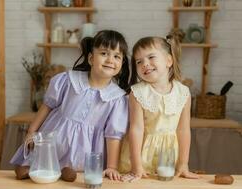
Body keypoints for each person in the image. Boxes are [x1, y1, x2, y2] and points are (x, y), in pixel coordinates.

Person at [10, 30, 130, 181]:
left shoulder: (117, 98)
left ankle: (67, 172)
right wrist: (32, 131)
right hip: (56, 139)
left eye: (117, 56)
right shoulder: (69, 80)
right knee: (44, 160)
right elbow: (48, 105)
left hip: (85, 152)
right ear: (91, 58)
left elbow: (113, 135)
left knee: (75, 173)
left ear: (122, 63)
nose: (110, 60)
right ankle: (32, 169)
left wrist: (112, 166)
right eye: (104, 53)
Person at [118, 33, 199, 181]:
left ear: (169, 60)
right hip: (140, 157)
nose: (145, 64)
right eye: (139, 62)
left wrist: (183, 164)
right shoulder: (138, 93)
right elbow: (136, 129)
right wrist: (136, 166)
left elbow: (183, 130)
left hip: (168, 158)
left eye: (151, 57)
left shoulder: (183, 93)